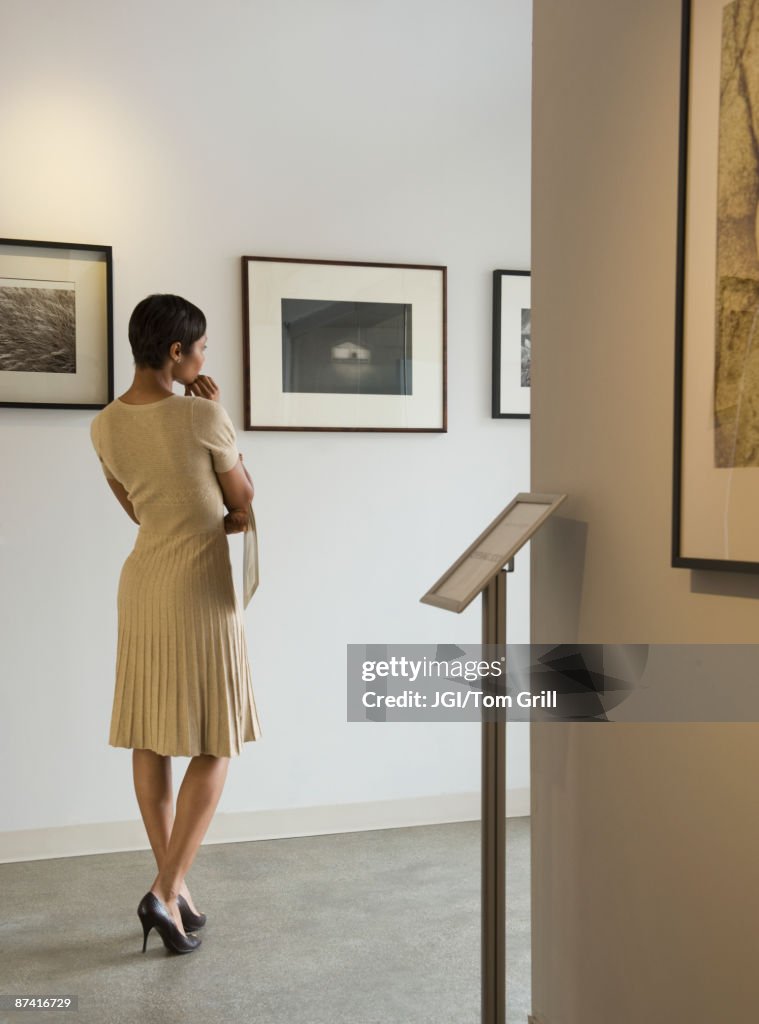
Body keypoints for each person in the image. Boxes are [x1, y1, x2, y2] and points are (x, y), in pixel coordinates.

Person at [89, 294, 262, 955]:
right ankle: (165, 890)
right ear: (175, 352)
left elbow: (139, 510)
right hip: (198, 586)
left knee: (152, 736)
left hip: (142, 585)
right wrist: (214, 417)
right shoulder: (202, 415)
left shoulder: (104, 424)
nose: (203, 358)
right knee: (214, 740)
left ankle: (175, 889)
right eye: (201, 347)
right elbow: (242, 503)